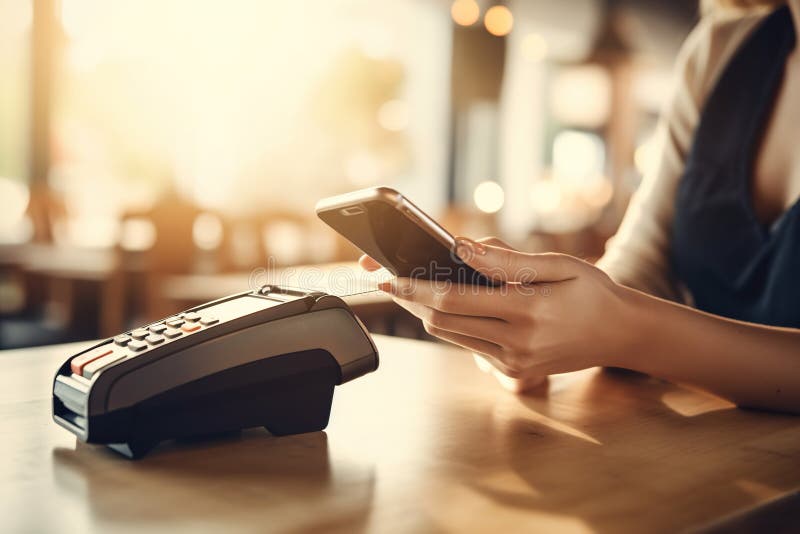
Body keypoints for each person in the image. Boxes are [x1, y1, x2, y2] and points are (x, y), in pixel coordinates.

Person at [360, 0, 800, 414]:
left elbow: (627, 317)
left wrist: (626, 329)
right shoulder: (720, 50)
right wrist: (540, 320)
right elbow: (644, 264)